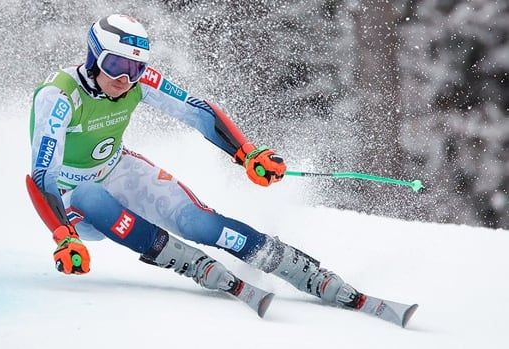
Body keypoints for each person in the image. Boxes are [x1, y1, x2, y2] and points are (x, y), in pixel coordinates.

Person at [28, 14, 414, 323]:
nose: (125, 79)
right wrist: (63, 235)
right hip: (66, 201)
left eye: (135, 67)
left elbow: (197, 111)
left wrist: (246, 153)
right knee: (90, 196)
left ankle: (299, 268)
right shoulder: (60, 97)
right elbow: (41, 175)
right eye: (115, 65)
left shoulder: (138, 82)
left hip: (118, 168)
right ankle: (186, 262)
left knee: (199, 223)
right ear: (94, 57)